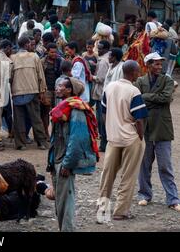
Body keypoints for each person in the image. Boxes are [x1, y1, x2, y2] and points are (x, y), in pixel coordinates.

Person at [97, 60, 148, 222]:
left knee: (107, 175)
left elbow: (104, 113)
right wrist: (140, 136)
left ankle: (102, 210)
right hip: (130, 138)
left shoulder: (109, 87)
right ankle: (120, 211)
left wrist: (111, 128)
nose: (139, 74)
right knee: (128, 176)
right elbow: (139, 120)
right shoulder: (133, 91)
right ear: (132, 73)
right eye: (138, 71)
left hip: (113, 138)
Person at [48, 77, 98, 231]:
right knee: (61, 201)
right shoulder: (64, 107)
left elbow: (77, 140)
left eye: (61, 86)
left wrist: (67, 164)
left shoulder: (76, 110)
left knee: (66, 202)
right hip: (58, 159)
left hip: (64, 161)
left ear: (70, 90)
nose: (57, 88)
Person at [134, 53, 180, 212]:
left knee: (165, 165)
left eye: (161, 64)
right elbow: (137, 100)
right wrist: (154, 99)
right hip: (145, 127)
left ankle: (173, 199)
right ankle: (144, 195)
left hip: (162, 128)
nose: (160, 67)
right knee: (144, 164)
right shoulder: (140, 81)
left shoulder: (167, 80)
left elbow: (166, 98)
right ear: (148, 65)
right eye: (156, 64)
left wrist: (146, 97)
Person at [10, 34, 50, 150]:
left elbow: (10, 77)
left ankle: (21, 144)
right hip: (32, 91)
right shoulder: (34, 57)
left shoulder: (13, 58)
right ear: (27, 44)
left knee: (19, 119)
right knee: (36, 118)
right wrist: (42, 91)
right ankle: (41, 142)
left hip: (17, 92)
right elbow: (40, 76)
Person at [40, 43, 63, 138]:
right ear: (47, 52)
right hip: (47, 90)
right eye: (52, 52)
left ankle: (56, 132)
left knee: (57, 112)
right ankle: (46, 133)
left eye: (55, 52)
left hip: (58, 90)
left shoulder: (60, 61)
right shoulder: (42, 62)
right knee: (45, 113)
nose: (54, 54)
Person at [92, 40, 111, 152]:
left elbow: (100, 78)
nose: (98, 50)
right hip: (104, 92)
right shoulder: (106, 58)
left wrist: (92, 76)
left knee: (101, 120)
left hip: (101, 93)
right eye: (98, 48)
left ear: (106, 49)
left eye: (100, 48)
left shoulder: (103, 61)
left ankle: (104, 144)